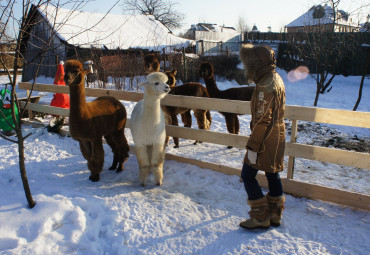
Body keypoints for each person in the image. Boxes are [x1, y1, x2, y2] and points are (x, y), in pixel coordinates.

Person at [238, 44, 286, 230]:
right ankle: (275, 215)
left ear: (256, 63)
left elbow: (262, 121)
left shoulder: (265, 85)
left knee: (247, 175)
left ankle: (260, 217)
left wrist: (253, 147)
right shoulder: (276, 78)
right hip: (277, 136)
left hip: (264, 140)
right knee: (273, 174)